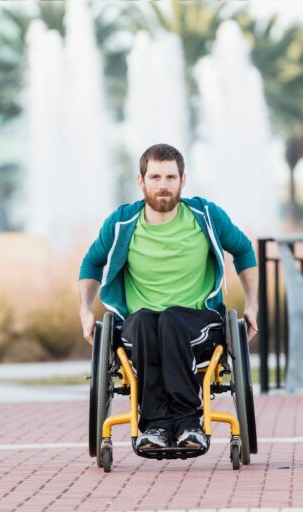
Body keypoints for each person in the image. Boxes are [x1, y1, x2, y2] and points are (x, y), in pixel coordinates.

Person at [78, 143, 258, 451]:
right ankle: (155, 427)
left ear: (183, 181)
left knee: (172, 318)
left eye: (171, 178)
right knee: (150, 320)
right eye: (156, 177)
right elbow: (92, 262)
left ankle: (189, 422)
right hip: (140, 324)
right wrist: (84, 309)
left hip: (198, 322)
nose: (163, 185)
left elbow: (243, 250)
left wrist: (253, 305)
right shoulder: (122, 222)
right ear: (141, 181)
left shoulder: (206, 216)